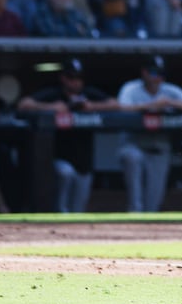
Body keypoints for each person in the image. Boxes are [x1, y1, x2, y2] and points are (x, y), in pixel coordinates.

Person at [17, 59, 118, 213]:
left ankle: (73, 235)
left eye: (79, 78)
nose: (76, 82)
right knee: (65, 175)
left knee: (78, 209)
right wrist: (52, 107)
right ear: (63, 78)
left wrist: (92, 106)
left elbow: (115, 104)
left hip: (85, 162)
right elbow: (23, 104)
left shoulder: (88, 94)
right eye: (72, 78)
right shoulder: (55, 94)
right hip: (61, 159)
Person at [115, 56, 182, 213]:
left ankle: (149, 233)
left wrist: (170, 103)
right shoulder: (131, 88)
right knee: (132, 159)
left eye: (161, 74)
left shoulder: (168, 91)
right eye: (154, 73)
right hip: (135, 145)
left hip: (159, 147)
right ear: (144, 73)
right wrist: (150, 106)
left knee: (153, 204)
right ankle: (134, 218)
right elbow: (121, 108)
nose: (157, 78)